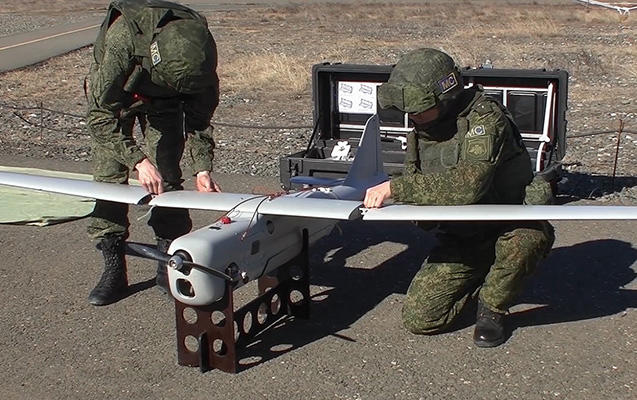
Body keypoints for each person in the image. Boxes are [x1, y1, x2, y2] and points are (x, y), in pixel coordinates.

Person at [364, 48, 555, 347]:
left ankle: (492, 307)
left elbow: (468, 186)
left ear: (445, 96)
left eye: (418, 109)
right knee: (420, 319)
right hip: (466, 233)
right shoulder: (424, 126)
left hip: (510, 222)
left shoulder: (484, 120)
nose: (412, 117)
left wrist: (394, 189)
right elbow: (418, 175)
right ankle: (484, 270)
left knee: (525, 241)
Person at [85, 0, 221, 306]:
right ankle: (114, 267)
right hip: (118, 98)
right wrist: (138, 161)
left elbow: (199, 119)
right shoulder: (123, 41)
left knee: (167, 176)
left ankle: (167, 262)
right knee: (109, 179)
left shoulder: (200, 60)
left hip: (164, 103)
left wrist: (203, 168)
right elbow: (99, 117)